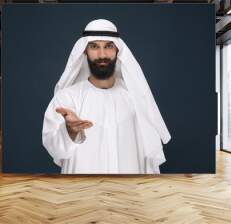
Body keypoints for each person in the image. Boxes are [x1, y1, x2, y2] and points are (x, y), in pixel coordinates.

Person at [42, 19, 171, 174]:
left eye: (108, 46)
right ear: (84, 51)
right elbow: (56, 151)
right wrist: (70, 130)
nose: (102, 54)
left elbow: (148, 153)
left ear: (118, 50)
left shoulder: (135, 97)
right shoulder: (67, 98)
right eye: (94, 47)